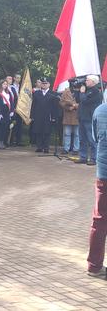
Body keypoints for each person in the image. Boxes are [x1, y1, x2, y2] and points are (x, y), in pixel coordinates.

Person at [87, 101, 107, 278]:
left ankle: (94, 265)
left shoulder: (99, 110)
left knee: (99, 221)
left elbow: (95, 137)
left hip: (103, 174)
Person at [78, 75, 102, 164]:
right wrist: (79, 92)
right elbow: (78, 100)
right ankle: (83, 157)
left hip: (89, 118)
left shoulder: (96, 92)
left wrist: (82, 93)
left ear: (93, 82)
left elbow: (85, 101)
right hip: (82, 117)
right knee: (82, 139)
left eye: (87, 80)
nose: (86, 81)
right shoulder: (85, 90)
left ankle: (93, 158)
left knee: (91, 139)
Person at [30, 77, 56, 153]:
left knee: (47, 131)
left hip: (48, 116)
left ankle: (46, 147)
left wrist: (54, 116)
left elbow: (55, 107)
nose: (44, 85)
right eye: (43, 83)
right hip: (38, 115)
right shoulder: (36, 93)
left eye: (46, 83)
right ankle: (39, 147)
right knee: (38, 131)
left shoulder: (52, 94)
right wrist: (32, 115)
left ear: (49, 84)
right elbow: (33, 105)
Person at [60, 83, 80, 155]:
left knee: (77, 134)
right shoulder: (66, 92)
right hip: (68, 115)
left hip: (77, 116)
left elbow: (84, 102)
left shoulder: (81, 91)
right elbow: (61, 102)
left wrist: (75, 106)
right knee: (67, 134)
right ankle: (66, 149)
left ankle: (76, 149)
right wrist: (68, 108)